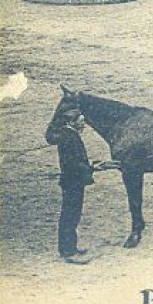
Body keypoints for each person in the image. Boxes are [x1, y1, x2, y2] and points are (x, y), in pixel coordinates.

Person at [45, 105, 113, 264]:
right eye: (81, 122)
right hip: (73, 181)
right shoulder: (70, 138)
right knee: (70, 215)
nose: (83, 125)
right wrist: (92, 167)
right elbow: (73, 164)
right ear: (72, 122)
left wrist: (90, 165)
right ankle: (69, 252)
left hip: (71, 181)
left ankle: (70, 248)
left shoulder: (68, 135)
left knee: (71, 215)